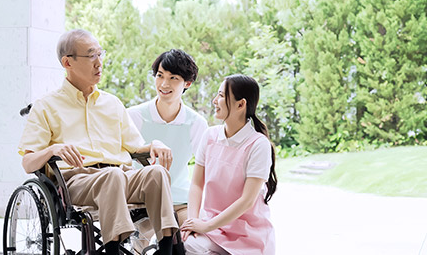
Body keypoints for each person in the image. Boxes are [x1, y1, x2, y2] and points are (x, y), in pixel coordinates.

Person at [18, 29, 180, 255]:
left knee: (156, 173)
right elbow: (28, 163)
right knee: (111, 177)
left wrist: (155, 144)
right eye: (91, 55)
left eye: (100, 54)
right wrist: (54, 149)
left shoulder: (112, 103)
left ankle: (168, 248)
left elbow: (136, 148)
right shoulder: (46, 106)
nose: (99, 62)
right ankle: (112, 250)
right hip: (79, 182)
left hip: (122, 178)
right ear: (68, 62)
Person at [181, 74, 277, 254]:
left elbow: (247, 201)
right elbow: (196, 184)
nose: (214, 101)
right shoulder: (210, 136)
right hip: (213, 230)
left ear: (241, 105)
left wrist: (207, 225)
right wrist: (193, 222)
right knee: (181, 245)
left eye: (221, 96)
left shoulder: (258, 145)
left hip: (248, 236)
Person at [128, 49, 208, 226]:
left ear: (187, 83)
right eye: (160, 75)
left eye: (173, 78)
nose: (164, 84)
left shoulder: (196, 124)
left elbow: (206, 169)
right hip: (141, 201)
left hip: (180, 200)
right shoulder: (134, 116)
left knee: (192, 238)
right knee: (138, 245)